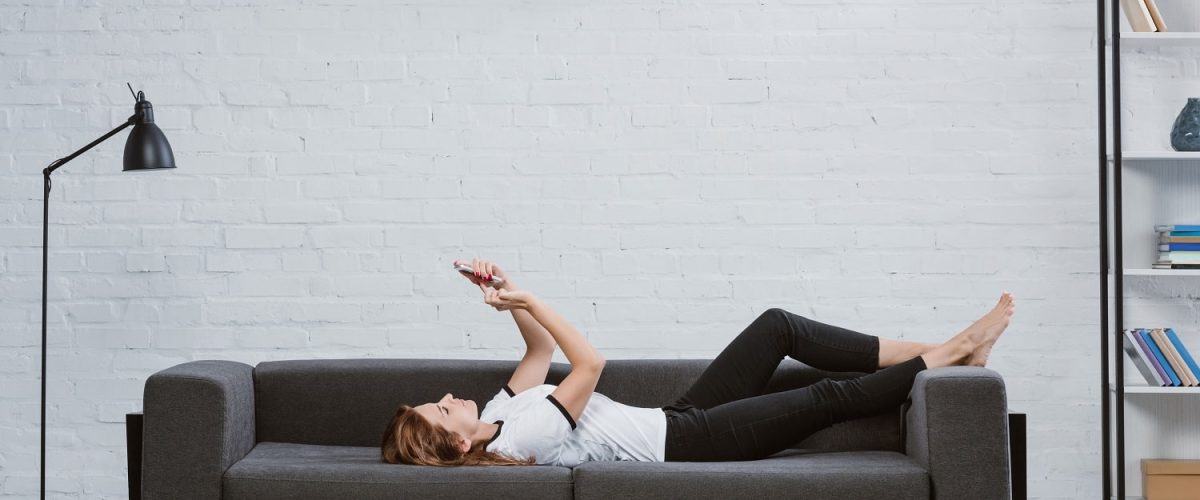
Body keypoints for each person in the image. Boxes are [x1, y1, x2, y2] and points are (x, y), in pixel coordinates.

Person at [380, 259, 1014, 467]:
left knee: (778, 328)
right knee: (825, 400)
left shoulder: (497, 414)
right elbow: (589, 365)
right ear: (458, 448)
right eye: (441, 410)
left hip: (677, 417)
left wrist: (505, 293)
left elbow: (540, 352)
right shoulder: (525, 439)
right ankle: (954, 354)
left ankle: (950, 347)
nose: (447, 395)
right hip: (692, 444)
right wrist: (537, 301)